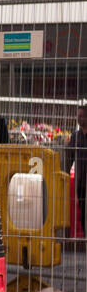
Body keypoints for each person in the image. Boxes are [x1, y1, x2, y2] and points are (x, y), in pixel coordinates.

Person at [64, 101, 87, 237]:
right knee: (83, 213)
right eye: (78, 116)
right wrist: (65, 175)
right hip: (81, 182)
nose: (79, 119)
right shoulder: (76, 136)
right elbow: (68, 158)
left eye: (83, 116)